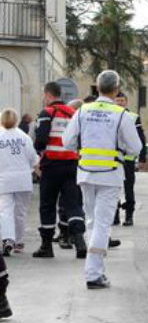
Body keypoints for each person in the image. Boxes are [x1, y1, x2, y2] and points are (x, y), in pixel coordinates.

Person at [63, 70, 142, 289]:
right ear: (116, 89)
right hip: (110, 174)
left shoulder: (82, 111)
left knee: (92, 221)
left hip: (86, 172)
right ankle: (93, 273)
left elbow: (67, 141)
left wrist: (83, 150)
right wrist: (122, 148)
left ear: (97, 88)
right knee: (102, 225)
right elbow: (136, 147)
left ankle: (94, 271)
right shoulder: (121, 114)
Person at [32, 82, 87, 259]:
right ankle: (78, 240)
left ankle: (46, 246)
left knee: (47, 205)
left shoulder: (47, 113)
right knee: (73, 204)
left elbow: (40, 141)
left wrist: (37, 152)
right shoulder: (74, 113)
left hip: (51, 166)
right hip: (71, 165)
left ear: (48, 94)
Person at [0, 109, 39, 257]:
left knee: (5, 211)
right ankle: (19, 241)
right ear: (16, 120)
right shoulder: (24, 137)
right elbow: (33, 159)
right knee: (21, 212)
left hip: (4, 180)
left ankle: (8, 239)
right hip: (23, 180)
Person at [113, 92, 146, 227]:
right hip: (113, 159)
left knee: (128, 189)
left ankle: (129, 216)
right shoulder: (111, 115)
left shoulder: (133, 117)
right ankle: (114, 216)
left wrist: (142, 157)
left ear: (126, 103)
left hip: (128, 159)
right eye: (118, 101)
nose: (120, 103)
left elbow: (141, 138)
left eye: (122, 101)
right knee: (114, 188)